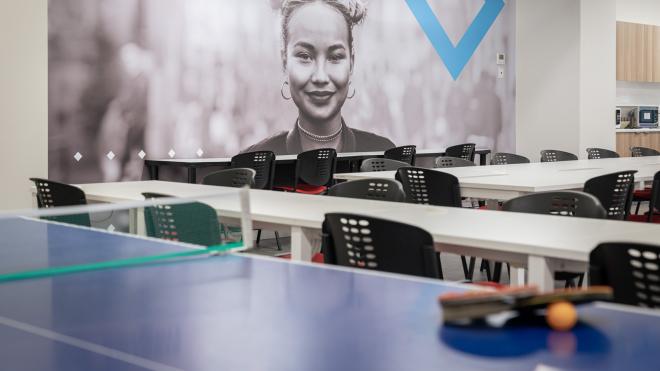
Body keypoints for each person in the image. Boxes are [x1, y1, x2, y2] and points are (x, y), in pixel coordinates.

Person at [243, 0, 395, 154]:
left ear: (351, 64)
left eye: (335, 57)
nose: (320, 77)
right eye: (304, 56)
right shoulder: (253, 165)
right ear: (284, 61)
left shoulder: (383, 155)